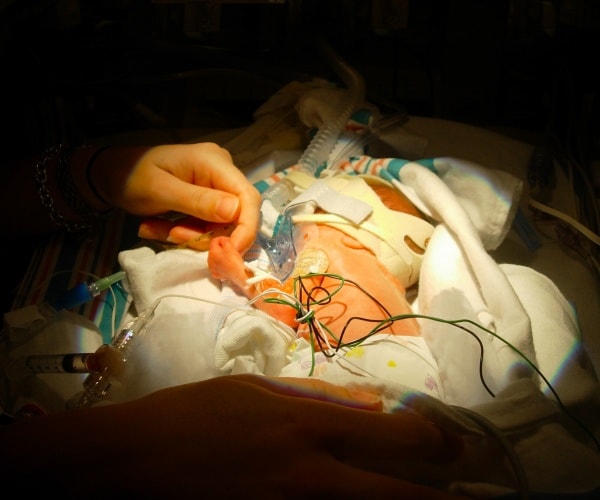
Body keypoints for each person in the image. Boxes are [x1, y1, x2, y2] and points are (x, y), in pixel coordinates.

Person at [0, 142, 469, 498]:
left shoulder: (347, 261)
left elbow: (278, 313)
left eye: (314, 220)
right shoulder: (398, 315)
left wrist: (93, 177)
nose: (301, 233)